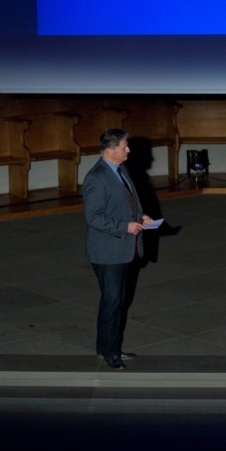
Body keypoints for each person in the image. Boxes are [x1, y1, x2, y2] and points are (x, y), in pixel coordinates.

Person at [82, 128, 153, 370]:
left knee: (116, 300)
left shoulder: (120, 169)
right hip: (107, 251)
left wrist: (141, 216)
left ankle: (105, 346)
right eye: (124, 147)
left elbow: (130, 201)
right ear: (111, 150)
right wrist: (125, 226)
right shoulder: (96, 178)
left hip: (121, 248)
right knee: (113, 301)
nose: (128, 150)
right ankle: (110, 352)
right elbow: (94, 217)